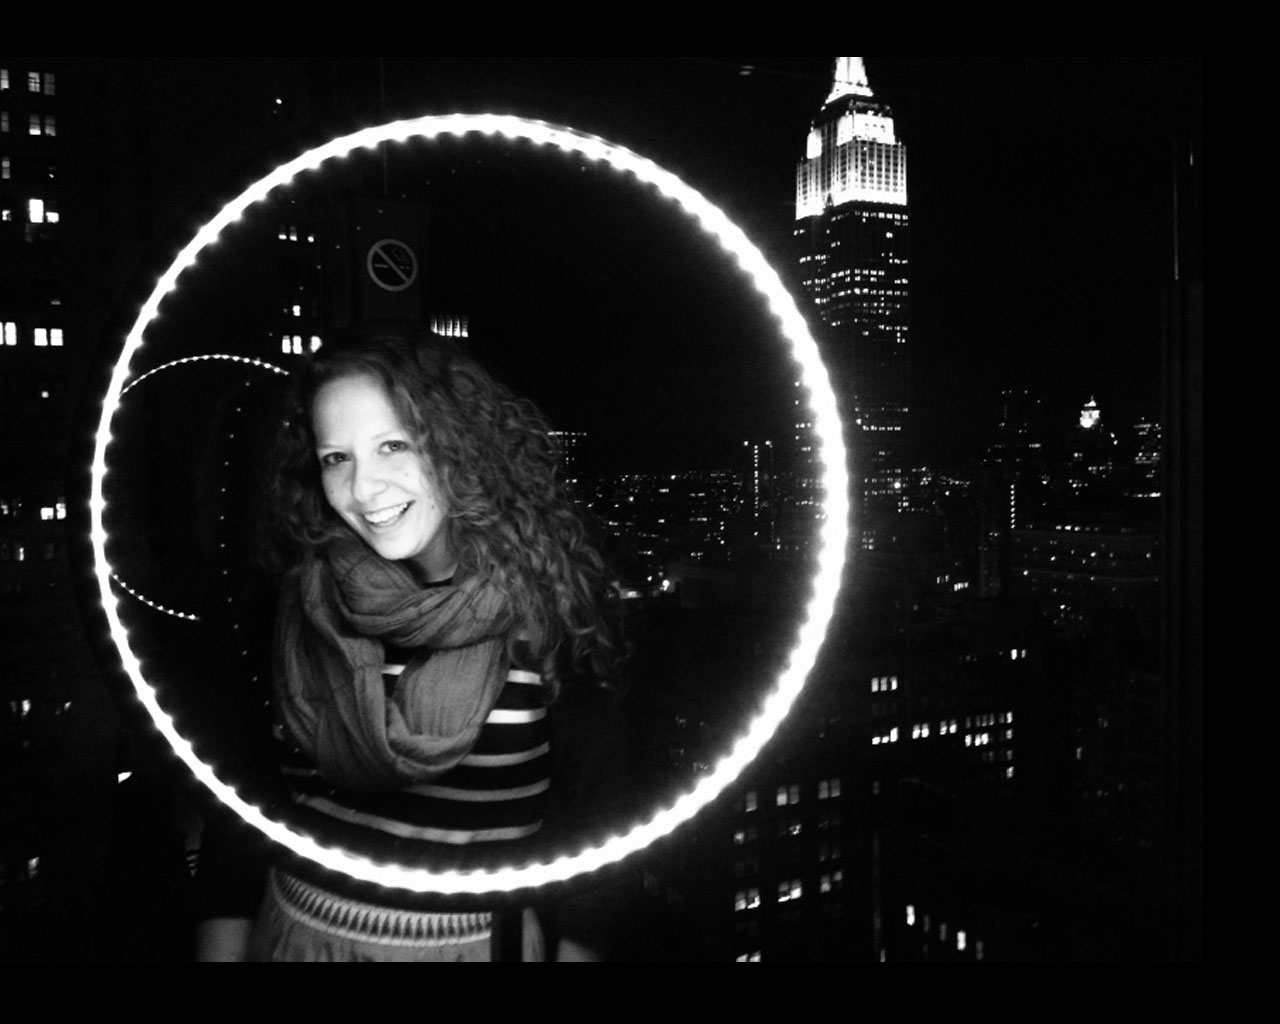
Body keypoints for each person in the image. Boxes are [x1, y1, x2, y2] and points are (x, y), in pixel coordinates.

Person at [194, 321, 628, 961]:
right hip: (296, 940)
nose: (363, 488)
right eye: (337, 458)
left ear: (459, 447)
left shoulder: (553, 611)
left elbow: (602, 833)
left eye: (394, 445)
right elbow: (240, 809)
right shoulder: (299, 603)